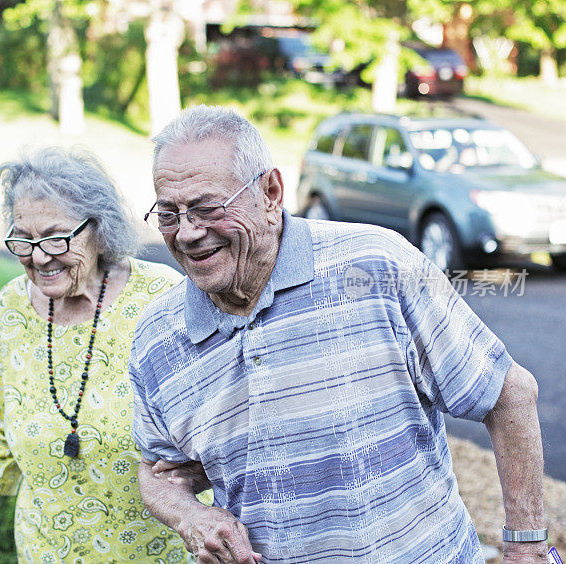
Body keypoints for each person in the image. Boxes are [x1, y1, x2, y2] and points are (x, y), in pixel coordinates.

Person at [130, 105, 547, 563]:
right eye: (168, 215)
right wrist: (192, 517)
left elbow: (508, 394)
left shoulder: (378, 265)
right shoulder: (158, 339)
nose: (188, 233)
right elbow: (161, 471)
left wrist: (525, 546)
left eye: (208, 208)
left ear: (270, 193)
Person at [0, 146, 191, 563]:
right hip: (47, 548)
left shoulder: (161, 300)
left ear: (99, 228)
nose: (39, 256)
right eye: (24, 240)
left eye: (55, 237)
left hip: (154, 549)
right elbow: (4, 423)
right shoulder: (11, 309)